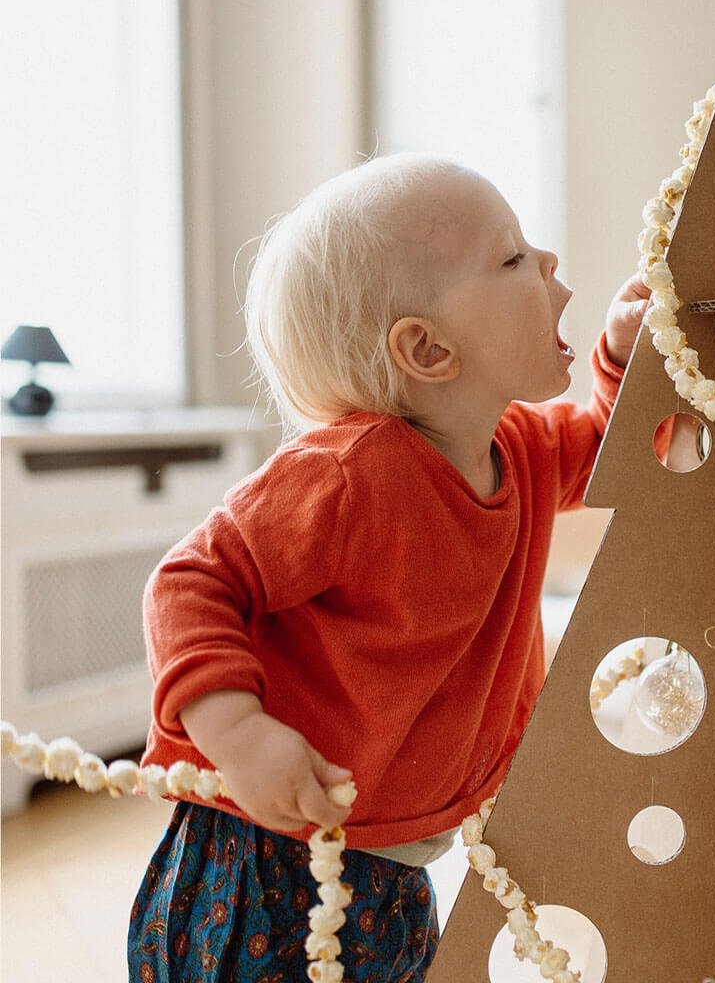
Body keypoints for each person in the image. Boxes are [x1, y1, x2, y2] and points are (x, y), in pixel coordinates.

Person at [128, 154, 648, 982]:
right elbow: (192, 581)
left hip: (391, 857)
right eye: (512, 257)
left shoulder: (517, 448)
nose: (548, 262)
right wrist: (237, 733)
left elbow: (609, 451)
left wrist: (624, 355)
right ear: (428, 348)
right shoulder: (347, 474)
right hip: (263, 860)